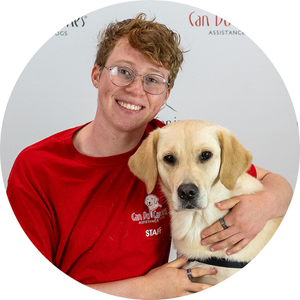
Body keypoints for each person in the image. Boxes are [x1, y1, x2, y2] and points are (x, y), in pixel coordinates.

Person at [7, 13, 293, 299]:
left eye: (153, 80)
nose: (135, 89)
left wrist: (266, 204)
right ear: (96, 75)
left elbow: (274, 182)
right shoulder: (36, 167)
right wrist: (146, 289)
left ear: (165, 96)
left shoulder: (167, 145)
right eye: (123, 71)